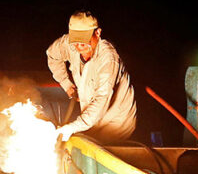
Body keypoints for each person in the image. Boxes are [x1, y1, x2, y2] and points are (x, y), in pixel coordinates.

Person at [46, 11, 137, 145]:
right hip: (91, 120)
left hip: (116, 123)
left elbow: (101, 99)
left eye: (84, 40)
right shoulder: (69, 44)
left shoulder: (108, 59)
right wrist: (67, 84)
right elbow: (53, 56)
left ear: (98, 33)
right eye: (76, 40)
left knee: (102, 155)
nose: (79, 46)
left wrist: (73, 127)